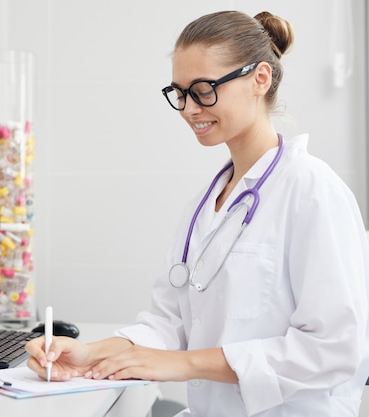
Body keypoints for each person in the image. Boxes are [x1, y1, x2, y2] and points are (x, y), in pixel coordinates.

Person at [25, 10, 369, 417]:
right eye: (180, 93)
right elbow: (170, 323)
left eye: (204, 89)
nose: (189, 109)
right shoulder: (205, 207)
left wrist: (183, 364)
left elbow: (332, 350)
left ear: (260, 78)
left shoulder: (312, 191)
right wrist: (89, 352)